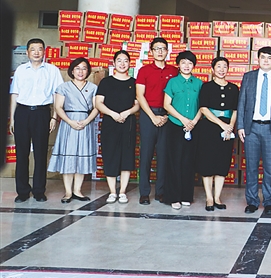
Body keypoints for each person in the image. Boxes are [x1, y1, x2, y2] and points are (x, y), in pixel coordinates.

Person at [237, 46, 271, 216]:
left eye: (269, 58)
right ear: (257, 59)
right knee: (251, 167)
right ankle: (252, 201)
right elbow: (242, 102)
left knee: (269, 167)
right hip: (251, 128)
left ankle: (269, 201)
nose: (266, 60)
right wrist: (240, 126)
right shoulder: (249, 77)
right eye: (263, 57)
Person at [10, 38, 63, 202]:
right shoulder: (20, 70)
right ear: (27, 52)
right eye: (33, 49)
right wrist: (12, 118)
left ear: (44, 52)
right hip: (22, 113)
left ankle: (39, 191)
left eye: (40, 49)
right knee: (22, 154)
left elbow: (58, 94)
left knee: (40, 154)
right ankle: (22, 192)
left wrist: (54, 116)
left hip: (42, 113)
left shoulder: (52, 70)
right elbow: (15, 94)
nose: (36, 52)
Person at [47, 57, 99, 203]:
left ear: (88, 71)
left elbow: (97, 107)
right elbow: (58, 107)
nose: (80, 71)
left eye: (84, 68)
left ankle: (77, 190)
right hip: (68, 123)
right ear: (72, 70)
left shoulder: (93, 87)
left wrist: (87, 121)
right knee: (68, 157)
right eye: (77, 68)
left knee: (82, 156)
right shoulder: (63, 87)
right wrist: (69, 121)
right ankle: (68, 192)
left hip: (85, 123)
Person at [136, 37, 178, 205]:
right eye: (156, 49)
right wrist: (152, 117)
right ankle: (144, 193)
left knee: (164, 155)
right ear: (151, 52)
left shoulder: (174, 71)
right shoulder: (144, 70)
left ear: (167, 51)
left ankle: (161, 191)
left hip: (167, 116)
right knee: (146, 155)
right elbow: (140, 95)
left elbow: (177, 96)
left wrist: (167, 116)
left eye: (163, 48)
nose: (160, 52)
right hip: (148, 115)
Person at [96, 50, 140, 204]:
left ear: (130, 64)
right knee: (110, 155)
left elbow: (138, 104)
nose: (122, 63)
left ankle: (122, 192)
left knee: (127, 156)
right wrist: (112, 114)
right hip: (110, 123)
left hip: (128, 123)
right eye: (119, 60)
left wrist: (127, 112)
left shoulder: (134, 83)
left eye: (125, 60)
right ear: (114, 63)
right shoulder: (106, 82)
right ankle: (112, 192)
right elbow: (98, 103)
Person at [197, 56, 239, 211]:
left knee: (222, 162)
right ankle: (209, 197)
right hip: (209, 128)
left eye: (224, 67)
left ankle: (217, 197)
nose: (222, 70)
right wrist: (222, 124)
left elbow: (235, 110)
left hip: (227, 129)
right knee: (208, 162)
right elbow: (203, 109)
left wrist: (230, 126)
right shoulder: (206, 87)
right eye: (219, 66)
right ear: (212, 69)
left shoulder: (233, 88)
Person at [163, 51, 203, 210]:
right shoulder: (173, 82)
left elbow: (202, 106)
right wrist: (183, 119)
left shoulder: (199, 83)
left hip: (193, 127)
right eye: (183, 62)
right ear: (178, 65)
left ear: (194, 66)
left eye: (190, 63)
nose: (187, 66)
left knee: (188, 161)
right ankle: (173, 197)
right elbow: (167, 105)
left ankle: (186, 196)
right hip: (175, 125)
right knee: (174, 161)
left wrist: (193, 122)